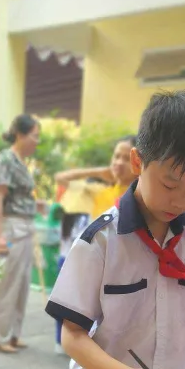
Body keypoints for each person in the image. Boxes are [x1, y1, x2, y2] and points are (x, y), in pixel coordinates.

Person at [46, 90, 185, 369]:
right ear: (137, 162)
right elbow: (72, 334)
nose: (179, 200)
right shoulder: (100, 240)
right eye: (169, 183)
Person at [52, 136, 138, 354]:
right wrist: (100, 172)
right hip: (95, 261)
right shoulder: (102, 190)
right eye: (116, 156)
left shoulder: (139, 197)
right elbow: (61, 179)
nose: (119, 162)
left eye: (126, 158)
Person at [0, 114, 41, 354]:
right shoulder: (5, 160)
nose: (37, 142)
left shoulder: (20, 161)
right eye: (34, 136)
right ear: (20, 134)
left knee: (21, 284)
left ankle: (13, 334)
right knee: (4, 283)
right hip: (9, 229)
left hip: (24, 228)